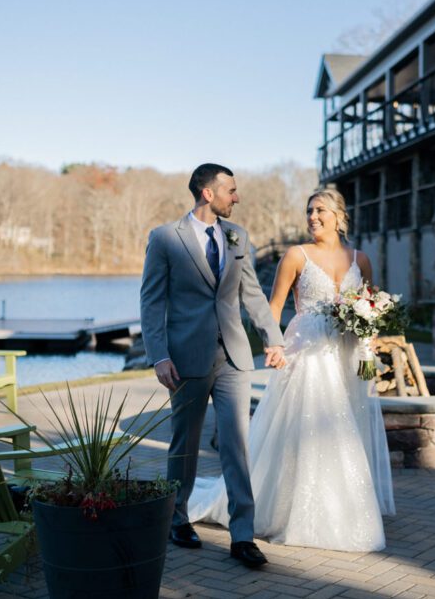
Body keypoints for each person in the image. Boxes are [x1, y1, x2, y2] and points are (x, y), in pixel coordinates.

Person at [186, 187, 395, 552]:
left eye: (320, 211)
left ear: (338, 216)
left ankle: (347, 504)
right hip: (308, 351)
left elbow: (369, 303)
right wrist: (275, 346)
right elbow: (275, 306)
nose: (313, 217)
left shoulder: (359, 259)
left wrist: (368, 338)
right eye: (309, 211)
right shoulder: (296, 256)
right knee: (308, 426)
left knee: (348, 424)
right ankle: (298, 510)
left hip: (346, 352)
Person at [139, 163, 286, 569]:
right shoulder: (166, 238)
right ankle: (178, 518)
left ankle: (243, 534)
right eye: (231, 190)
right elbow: (151, 302)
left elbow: (252, 295)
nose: (236, 197)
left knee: (237, 443)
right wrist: (160, 355)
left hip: (235, 358)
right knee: (184, 443)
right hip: (185, 358)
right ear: (208, 193)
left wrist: (273, 338)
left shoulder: (238, 236)